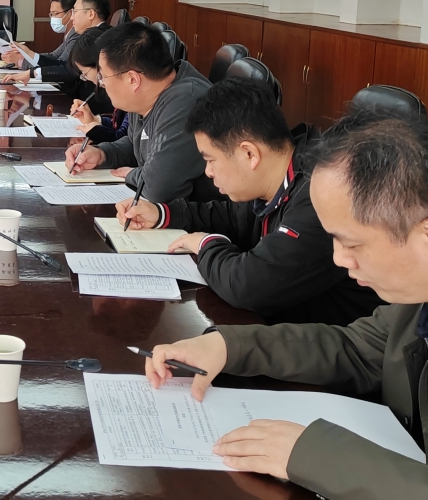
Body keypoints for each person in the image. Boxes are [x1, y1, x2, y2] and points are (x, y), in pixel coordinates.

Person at [142, 108, 428, 500]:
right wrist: (229, 347)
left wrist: (314, 455)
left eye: (351, 242)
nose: (339, 260)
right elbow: (357, 349)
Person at [116, 77, 382, 325]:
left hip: (329, 346)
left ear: (249, 154)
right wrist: (162, 213)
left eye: (210, 159)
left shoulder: (320, 195)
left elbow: (248, 286)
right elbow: (232, 216)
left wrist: (205, 244)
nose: (208, 172)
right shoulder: (276, 173)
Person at [65, 21, 218, 202]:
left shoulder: (186, 102)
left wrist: (133, 174)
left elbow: (159, 188)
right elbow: (136, 143)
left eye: (103, 76)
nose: (102, 84)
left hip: (198, 214)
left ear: (133, 79)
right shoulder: (146, 96)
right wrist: (102, 154)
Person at [0, 0, 109, 88]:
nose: (72, 17)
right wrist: (28, 54)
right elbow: (60, 62)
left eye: (75, 12)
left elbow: (70, 70)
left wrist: (32, 71)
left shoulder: (97, 38)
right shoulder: (92, 35)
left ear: (90, 14)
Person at [1, 0, 76, 68]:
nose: (53, 18)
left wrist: (22, 60)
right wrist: (25, 55)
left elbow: (60, 65)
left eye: (56, 13)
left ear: (70, 13)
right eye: (51, 14)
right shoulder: (69, 34)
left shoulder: (75, 35)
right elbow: (53, 56)